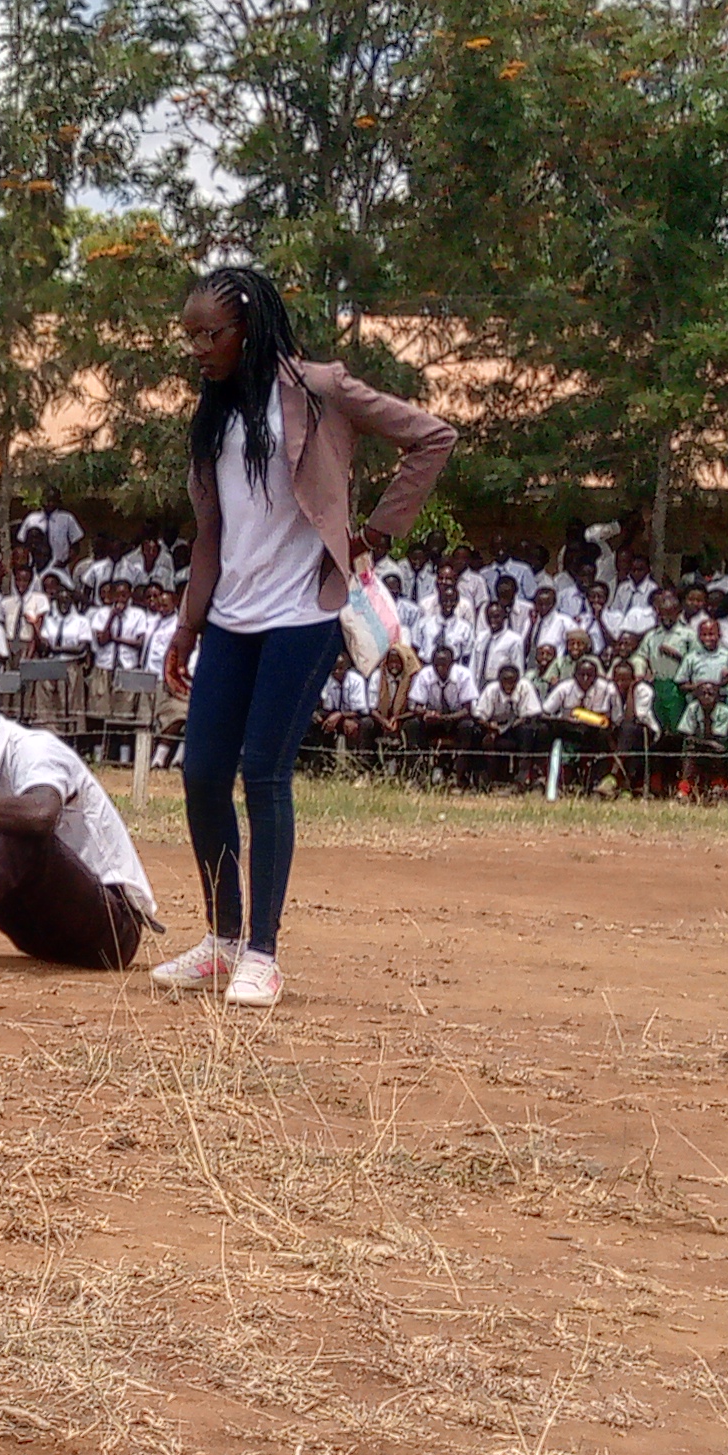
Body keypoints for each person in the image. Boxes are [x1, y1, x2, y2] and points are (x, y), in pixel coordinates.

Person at [153, 266, 454, 1008]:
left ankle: (263, 953)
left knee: (264, 772)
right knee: (200, 776)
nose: (196, 348)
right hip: (230, 616)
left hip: (305, 614)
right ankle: (222, 943)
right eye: (187, 335)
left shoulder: (318, 390)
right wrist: (188, 625)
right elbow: (212, 532)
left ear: (247, 327)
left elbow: (432, 438)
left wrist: (375, 533)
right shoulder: (212, 414)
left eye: (209, 334)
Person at [0, 660, 160, 971]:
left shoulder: (33, 749)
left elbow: (42, 814)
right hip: (36, 933)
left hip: (108, 933)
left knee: (26, 832)